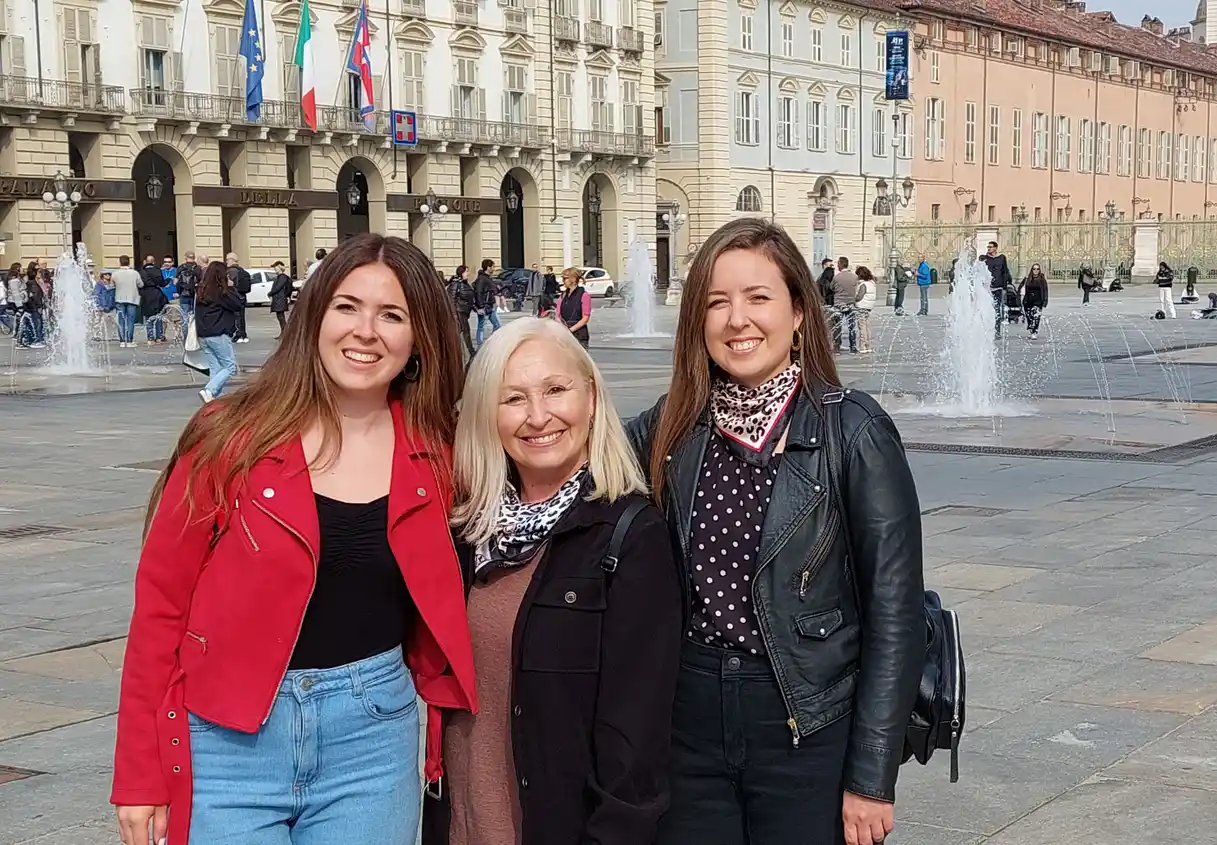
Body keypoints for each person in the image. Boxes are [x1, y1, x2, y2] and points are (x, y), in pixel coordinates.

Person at [111, 233, 476, 845]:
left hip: (371, 739)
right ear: (314, 317)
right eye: (347, 307)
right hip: (228, 740)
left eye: (392, 315)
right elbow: (160, 610)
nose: (365, 331)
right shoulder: (230, 437)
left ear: (418, 339)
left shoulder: (440, 455)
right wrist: (139, 773)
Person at [626, 217, 925, 845]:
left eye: (758, 297)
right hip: (689, 724)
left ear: (799, 313)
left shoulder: (854, 432)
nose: (738, 319)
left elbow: (895, 617)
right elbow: (578, 457)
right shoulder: (672, 428)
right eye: (717, 302)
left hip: (807, 722)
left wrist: (872, 777)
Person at [429, 317, 682, 845]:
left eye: (555, 390)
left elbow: (636, 740)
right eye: (513, 398)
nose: (538, 416)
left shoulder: (629, 536)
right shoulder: (466, 531)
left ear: (590, 397)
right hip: (460, 825)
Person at [193, 261, 245, 402]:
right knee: (230, 367)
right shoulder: (221, 291)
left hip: (203, 334)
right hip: (218, 333)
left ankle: (214, 397)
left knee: (215, 368)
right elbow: (238, 305)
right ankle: (209, 390)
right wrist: (231, 287)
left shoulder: (201, 290)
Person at [830, 256, 862, 353]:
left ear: (840, 264)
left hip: (839, 303)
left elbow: (831, 287)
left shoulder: (837, 277)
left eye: (838, 264)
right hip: (850, 303)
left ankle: (837, 347)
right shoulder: (854, 277)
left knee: (837, 326)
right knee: (851, 326)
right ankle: (853, 346)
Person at [556, 267, 592, 348]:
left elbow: (585, 318)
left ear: (573, 279)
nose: (563, 280)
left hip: (579, 335)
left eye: (565, 278)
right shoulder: (563, 295)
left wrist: (570, 330)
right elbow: (558, 314)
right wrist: (561, 328)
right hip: (564, 333)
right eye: (563, 278)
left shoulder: (584, 295)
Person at [112, 255, 143, 347]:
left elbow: (112, 285)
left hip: (119, 298)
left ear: (120, 262)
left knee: (120, 320)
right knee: (130, 320)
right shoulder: (134, 273)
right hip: (132, 298)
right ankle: (129, 341)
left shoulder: (115, 273)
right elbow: (141, 284)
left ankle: (122, 341)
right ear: (129, 262)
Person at [448, 265, 477, 358]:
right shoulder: (456, 284)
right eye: (466, 271)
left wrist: (476, 309)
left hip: (464, 312)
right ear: (461, 273)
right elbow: (451, 300)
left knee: (462, 333)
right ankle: (470, 352)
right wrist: (454, 314)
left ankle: (465, 353)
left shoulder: (465, 284)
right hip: (459, 312)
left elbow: (470, 299)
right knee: (465, 333)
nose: (468, 273)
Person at [140, 256, 169, 345]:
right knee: (158, 316)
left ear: (145, 262)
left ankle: (150, 338)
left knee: (148, 317)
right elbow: (162, 283)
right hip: (156, 294)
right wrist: (168, 280)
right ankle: (159, 337)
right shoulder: (157, 270)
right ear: (153, 262)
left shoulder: (141, 272)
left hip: (145, 295)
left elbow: (139, 284)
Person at [226, 252, 253, 343]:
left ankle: (238, 335)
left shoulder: (231, 271)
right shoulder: (242, 270)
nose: (226, 262)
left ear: (232, 260)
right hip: (242, 297)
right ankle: (243, 335)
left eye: (227, 259)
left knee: (235, 317)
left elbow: (229, 285)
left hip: (234, 297)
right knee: (241, 317)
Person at [473, 259, 500, 344]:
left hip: (490, 305)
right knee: (481, 327)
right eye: (493, 267)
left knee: (497, 325)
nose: (494, 269)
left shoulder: (487, 278)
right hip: (484, 306)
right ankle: (480, 345)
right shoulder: (482, 279)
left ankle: (491, 342)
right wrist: (481, 307)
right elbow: (478, 292)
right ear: (488, 267)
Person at [854, 265, 878, 354]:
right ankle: (869, 345)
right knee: (867, 326)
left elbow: (859, 297)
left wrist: (854, 299)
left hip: (861, 307)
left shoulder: (863, 284)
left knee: (862, 327)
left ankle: (862, 346)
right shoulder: (872, 283)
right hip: (868, 307)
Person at [1021, 263, 1049, 338]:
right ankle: (1031, 329)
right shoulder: (1028, 278)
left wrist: (1045, 301)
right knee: (1029, 316)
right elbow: (1021, 287)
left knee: (1036, 316)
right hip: (1028, 300)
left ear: (1039, 270)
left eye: (1037, 269)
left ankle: (1034, 332)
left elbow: (1045, 290)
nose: (1036, 270)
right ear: (1032, 270)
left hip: (1038, 300)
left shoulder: (1042, 279)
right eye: (1034, 269)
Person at [269, 260, 295, 336]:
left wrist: (270, 293)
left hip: (280, 298)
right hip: (279, 298)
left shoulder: (282, 277)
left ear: (280, 267)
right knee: (280, 316)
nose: (275, 269)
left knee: (281, 317)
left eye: (276, 267)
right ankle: (284, 333)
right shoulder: (280, 277)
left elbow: (278, 287)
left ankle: (285, 333)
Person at [177, 251, 201, 332]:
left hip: (183, 294)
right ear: (194, 258)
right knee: (195, 315)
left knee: (185, 316)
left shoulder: (181, 268)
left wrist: (178, 291)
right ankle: (194, 333)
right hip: (195, 294)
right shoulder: (197, 268)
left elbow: (177, 281)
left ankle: (186, 335)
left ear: (185, 257)